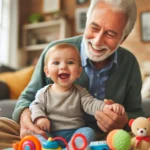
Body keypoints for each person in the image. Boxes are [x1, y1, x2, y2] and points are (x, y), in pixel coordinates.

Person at [0, 0, 145, 148]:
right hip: (49, 132)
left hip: (102, 137)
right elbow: (27, 100)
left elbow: (138, 114)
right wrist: (29, 121)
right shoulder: (54, 52)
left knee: (142, 137)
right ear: (86, 22)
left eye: (110, 34)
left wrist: (124, 119)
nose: (97, 40)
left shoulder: (129, 63)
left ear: (123, 38)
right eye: (94, 28)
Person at [28, 43, 124, 147]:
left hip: (74, 134)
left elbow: (92, 104)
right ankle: (48, 146)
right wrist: (40, 118)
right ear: (47, 72)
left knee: (88, 131)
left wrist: (107, 107)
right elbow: (35, 106)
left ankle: (71, 147)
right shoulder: (43, 93)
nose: (63, 67)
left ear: (78, 72)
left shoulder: (80, 92)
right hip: (50, 134)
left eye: (70, 62)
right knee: (34, 134)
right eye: (56, 63)